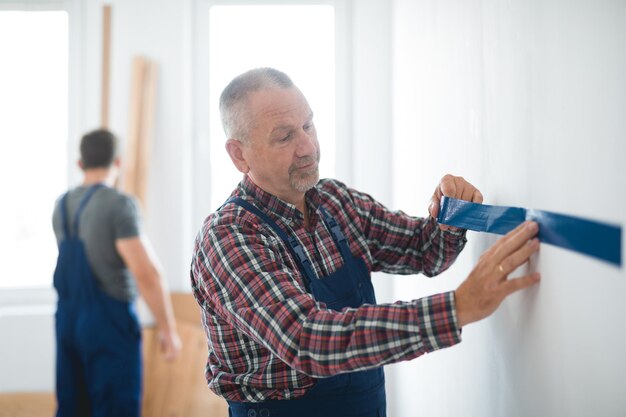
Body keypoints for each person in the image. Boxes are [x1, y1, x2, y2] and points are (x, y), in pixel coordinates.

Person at [190, 68, 541, 417]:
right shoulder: (229, 237)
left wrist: (447, 215)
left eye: (308, 126)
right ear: (239, 155)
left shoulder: (334, 200)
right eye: (284, 137)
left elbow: (423, 250)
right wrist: (455, 308)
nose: (308, 147)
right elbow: (308, 340)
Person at [52, 129, 182, 417]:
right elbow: (146, 273)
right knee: (115, 409)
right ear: (118, 163)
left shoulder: (60, 206)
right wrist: (168, 329)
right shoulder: (118, 204)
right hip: (107, 324)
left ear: (80, 164)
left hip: (67, 321)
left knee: (72, 407)